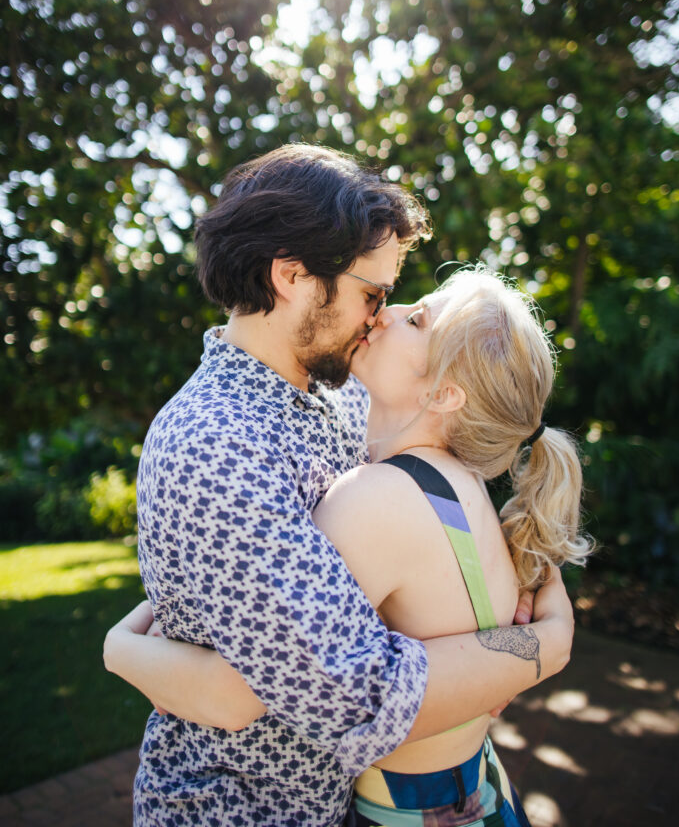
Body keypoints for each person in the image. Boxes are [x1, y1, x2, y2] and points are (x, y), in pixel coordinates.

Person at [104, 144, 576, 827]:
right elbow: (347, 691)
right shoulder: (216, 442)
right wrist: (539, 650)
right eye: (371, 294)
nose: (380, 315)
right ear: (292, 276)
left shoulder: (344, 401)